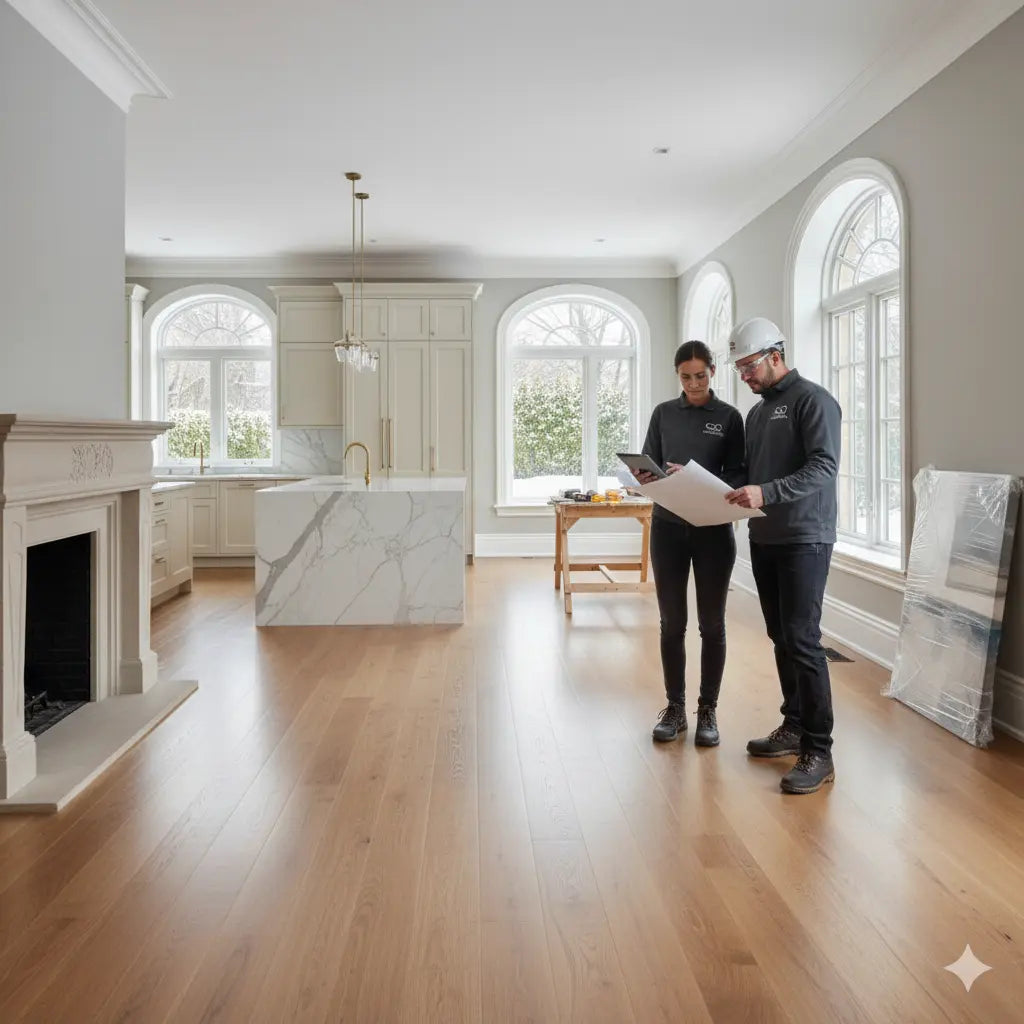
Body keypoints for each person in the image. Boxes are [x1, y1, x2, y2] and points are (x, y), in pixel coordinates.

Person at [724, 317, 842, 794]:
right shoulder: (756, 413)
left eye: (749, 365)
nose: (745, 376)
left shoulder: (813, 400)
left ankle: (820, 748)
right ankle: (793, 725)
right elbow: (751, 475)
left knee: (803, 639)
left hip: (805, 537)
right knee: (779, 635)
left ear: (776, 354)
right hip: (765, 536)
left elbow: (824, 466)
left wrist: (766, 492)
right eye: (739, 369)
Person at [635, 340, 745, 747]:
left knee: (712, 625)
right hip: (668, 530)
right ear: (677, 376)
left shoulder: (730, 418)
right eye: (686, 377)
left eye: (701, 375)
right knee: (672, 624)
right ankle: (676, 708)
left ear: (713, 372)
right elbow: (649, 461)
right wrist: (652, 476)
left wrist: (695, 475)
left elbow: (737, 476)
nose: (694, 383)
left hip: (715, 531)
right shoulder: (664, 413)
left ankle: (708, 710)